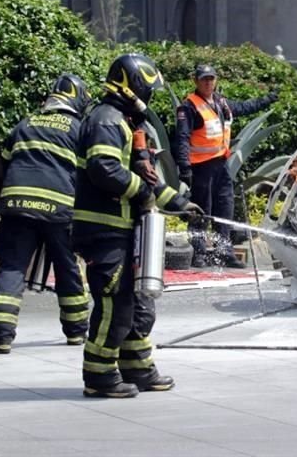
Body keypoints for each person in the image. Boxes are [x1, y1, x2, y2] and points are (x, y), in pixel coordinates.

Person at [73, 54, 202, 398]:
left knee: (140, 304)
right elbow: (104, 168)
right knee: (115, 303)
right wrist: (144, 191)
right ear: (133, 84)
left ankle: (138, 368)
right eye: (149, 88)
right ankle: (99, 376)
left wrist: (180, 203)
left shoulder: (129, 123)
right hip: (103, 230)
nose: (152, 95)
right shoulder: (106, 119)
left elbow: (146, 177)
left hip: (125, 230)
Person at [0, 74, 92, 354]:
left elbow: (4, 163)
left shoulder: (25, 124)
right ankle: (77, 332)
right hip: (59, 209)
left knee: (11, 267)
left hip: (17, 206)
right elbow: (87, 173)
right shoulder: (79, 130)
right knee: (67, 268)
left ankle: (0, 336)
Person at [175, 64, 278, 268]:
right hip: (201, 167)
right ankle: (199, 252)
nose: (208, 82)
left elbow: (243, 107)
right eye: (204, 79)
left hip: (221, 165)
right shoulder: (189, 106)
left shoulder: (221, 102)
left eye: (211, 78)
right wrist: (185, 167)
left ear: (216, 80)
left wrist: (266, 100)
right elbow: (183, 138)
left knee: (225, 206)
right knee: (201, 210)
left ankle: (224, 251)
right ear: (196, 81)